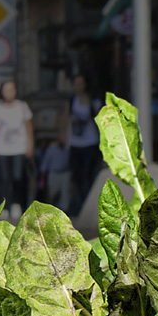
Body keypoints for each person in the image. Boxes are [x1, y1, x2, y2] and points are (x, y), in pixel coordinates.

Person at [0, 79, 34, 221]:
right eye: (6, 90)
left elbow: (28, 127)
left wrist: (30, 145)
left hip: (19, 148)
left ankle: (17, 204)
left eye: (11, 89)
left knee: (18, 177)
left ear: (15, 91)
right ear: (2, 92)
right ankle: (6, 206)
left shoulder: (22, 107)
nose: (9, 93)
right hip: (2, 149)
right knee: (4, 179)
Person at [60, 74, 103, 215]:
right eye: (75, 84)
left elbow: (101, 122)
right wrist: (63, 137)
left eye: (80, 83)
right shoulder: (72, 102)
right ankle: (80, 204)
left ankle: (88, 205)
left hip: (90, 143)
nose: (77, 87)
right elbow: (65, 120)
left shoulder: (94, 102)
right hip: (75, 144)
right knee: (77, 176)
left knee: (87, 175)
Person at [39, 138, 71, 212]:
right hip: (54, 173)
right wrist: (42, 176)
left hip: (65, 173)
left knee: (65, 193)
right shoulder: (51, 149)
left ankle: (64, 211)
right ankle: (51, 209)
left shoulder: (68, 148)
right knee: (52, 192)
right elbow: (45, 161)